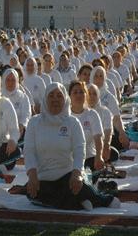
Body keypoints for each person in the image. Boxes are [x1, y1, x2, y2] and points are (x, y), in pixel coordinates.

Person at [24, 82, 120, 210]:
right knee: (32, 193)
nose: (55, 99)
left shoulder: (72, 122)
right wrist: (32, 175)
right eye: (51, 95)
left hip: (67, 175)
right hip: (42, 177)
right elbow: (29, 150)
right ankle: (78, 201)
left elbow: (79, 150)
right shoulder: (34, 122)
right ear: (45, 99)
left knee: (78, 187)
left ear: (65, 99)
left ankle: (99, 199)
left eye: (59, 96)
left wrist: (77, 174)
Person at [69, 81, 105, 174]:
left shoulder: (92, 114)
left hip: (89, 158)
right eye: (75, 92)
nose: (78, 95)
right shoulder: (64, 115)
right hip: (68, 161)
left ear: (86, 95)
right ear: (69, 96)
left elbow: (98, 138)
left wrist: (99, 156)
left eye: (81, 92)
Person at [90, 66, 129, 150]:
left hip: (106, 132)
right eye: (96, 76)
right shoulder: (86, 93)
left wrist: (122, 132)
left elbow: (116, 118)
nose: (98, 79)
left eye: (101, 76)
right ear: (92, 77)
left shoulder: (109, 97)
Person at [87, 84, 119, 163]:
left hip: (99, 146)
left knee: (114, 153)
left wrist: (106, 145)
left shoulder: (104, 111)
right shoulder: (80, 111)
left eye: (94, 94)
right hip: (84, 147)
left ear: (98, 96)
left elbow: (108, 131)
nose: (91, 96)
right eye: (89, 93)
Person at [2, 68, 32, 144]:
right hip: (1, 134)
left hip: (19, 132)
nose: (10, 83)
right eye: (8, 80)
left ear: (17, 81)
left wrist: (22, 124)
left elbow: (26, 114)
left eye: (13, 80)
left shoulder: (23, 97)